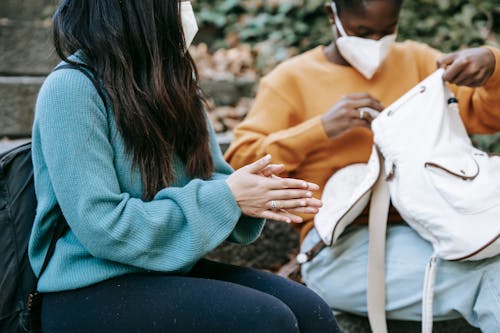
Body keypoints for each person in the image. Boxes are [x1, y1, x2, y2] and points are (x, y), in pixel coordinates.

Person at [28, 1, 342, 332]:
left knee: (310, 310)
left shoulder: (175, 81)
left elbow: (216, 180)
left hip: (165, 270)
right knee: (267, 321)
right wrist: (227, 198)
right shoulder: (71, 89)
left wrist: (254, 194)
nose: (187, 10)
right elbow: (104, 227)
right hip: (85, 288)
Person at [225, 0, 500, 332]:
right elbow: (240, 164)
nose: (375, 43)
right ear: (332, 15)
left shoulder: (417, 60)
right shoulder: (290, 80)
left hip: (435, 223)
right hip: (338, 247)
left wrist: (493, 66)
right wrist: (321, 127)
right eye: (362, 32)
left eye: (387, 31)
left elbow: (486, 116)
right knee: (492, 278)